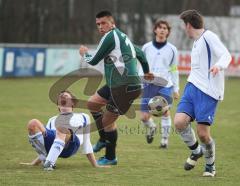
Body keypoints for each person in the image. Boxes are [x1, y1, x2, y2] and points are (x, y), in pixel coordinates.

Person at [79, 10, 153, 165]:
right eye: (98, 24)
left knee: (107, 122)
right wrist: (146, 72)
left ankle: (111, 157)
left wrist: (84, 54)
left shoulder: (110, 36)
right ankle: (103, 140)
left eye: (103, 23)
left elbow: (92, 61)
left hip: (125, 87)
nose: (100, 27)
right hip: (117, 85)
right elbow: (140, 54)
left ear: (112, 23)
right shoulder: (122, 37)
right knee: (93, 104)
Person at [174, 9, 232, 177]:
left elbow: (226, 55)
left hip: (208, 92)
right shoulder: (197, 41)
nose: (185, 29)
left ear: (189, 25)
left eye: (185, 26)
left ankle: (210, 166)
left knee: (203, 134)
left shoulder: (209, 37)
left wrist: (218, 66)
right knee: (179, 122)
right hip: (192, 87)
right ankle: (196, 150)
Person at [21, 90, 108, 170]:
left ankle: (49, 164)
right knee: (33, 123)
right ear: (58, 105)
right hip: (57, 143)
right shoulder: (52, 120)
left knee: (61, 128)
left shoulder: (83, 117)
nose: (63, 96)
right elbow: (46, 146)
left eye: (66, 96)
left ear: (73, 103)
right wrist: (34, 163)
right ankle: (49, 162)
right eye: (61, 97)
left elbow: (87, 143)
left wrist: (95, 165)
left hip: (72, 146)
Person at [139, 19, 179, 148]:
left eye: (165, 28)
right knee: (144, 117)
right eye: (160, 27)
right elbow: (140, 66)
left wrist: (176, 88)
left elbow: (174, 69)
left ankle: (164, 141)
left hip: (165, 85)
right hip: (147, 85)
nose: (162, 30)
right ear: (155, 30)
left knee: (164, 112)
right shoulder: (146, 47)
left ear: (168, 32)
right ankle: (151, 128)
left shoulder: (172, 49)